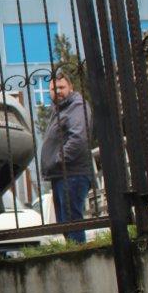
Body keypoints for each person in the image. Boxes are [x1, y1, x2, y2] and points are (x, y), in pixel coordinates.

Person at [40, 74, 93, 243]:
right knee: (66, 223)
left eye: (61, 87)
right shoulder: (60, 110)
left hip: (72, 173)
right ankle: (75, 255)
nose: (58, 92)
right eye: (53, 89)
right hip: (61, 174)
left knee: (72, 222)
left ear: (71, 88)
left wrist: (58, 160)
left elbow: (78, 138)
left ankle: (79, 258)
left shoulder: (76, 106)